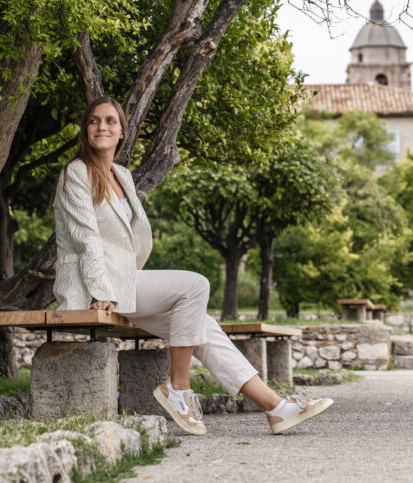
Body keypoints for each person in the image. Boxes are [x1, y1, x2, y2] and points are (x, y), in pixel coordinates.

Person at [52, 96, 332, 435]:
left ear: (123, 131)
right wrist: (101, 290)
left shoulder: (122, 175)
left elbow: (126, 240)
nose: (102, 127)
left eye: (110, 121)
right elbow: (86, 238)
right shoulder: (76, 172)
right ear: (86, 129)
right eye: (94, 120)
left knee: (203, 325)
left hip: (121, 282)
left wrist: (122, 282)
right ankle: (179, 389)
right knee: (194, 285)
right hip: (91, 287)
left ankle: (276, 407)